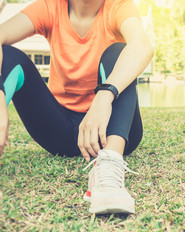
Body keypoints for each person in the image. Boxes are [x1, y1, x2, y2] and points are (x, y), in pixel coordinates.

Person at [0, 0, 154, 214]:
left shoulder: (118, 6)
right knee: (9, 55)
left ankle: (109, 169)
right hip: (59, 132)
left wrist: (104, 95)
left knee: (120, 52)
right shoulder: (50, 7)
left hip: (112, 132)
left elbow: (142, 46)